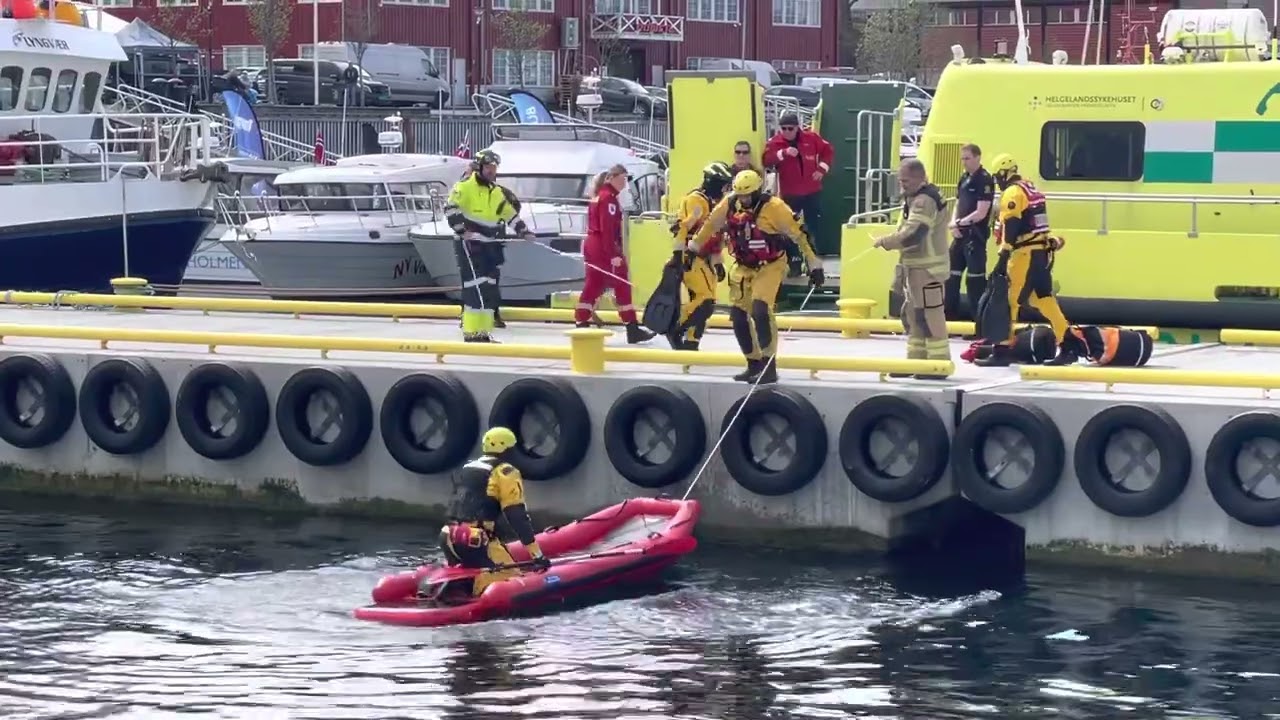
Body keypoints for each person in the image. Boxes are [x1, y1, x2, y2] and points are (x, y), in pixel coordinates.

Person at [689, 169, 825, 384]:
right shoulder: (729, 204)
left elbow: (800, 235)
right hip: (743, 266)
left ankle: (769, 365)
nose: (743, 200)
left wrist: (814, 265)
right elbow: (710, 226)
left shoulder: (776, 208)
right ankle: (753, 363)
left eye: (747, 195)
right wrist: (692, 248)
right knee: (738, 316)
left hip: (770, 265)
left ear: (758, 191)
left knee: (761, 309)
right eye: (739, 195)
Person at [975, 154, 1076, 367]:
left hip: (1024, 254)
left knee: (1008, 300)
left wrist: (1004, 254)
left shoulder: (1013, 192)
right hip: (1041, 253)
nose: (998, 181)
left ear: (1004, 172)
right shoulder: (1031, 189)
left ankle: (1002, 350)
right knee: (1043, 300)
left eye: (997, 177)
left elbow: (1012, 224)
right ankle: (1068, 345)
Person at [440, 427, 550, 597]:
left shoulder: (468, 468)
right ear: (505, 449)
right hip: (475, 540)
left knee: (470, 576)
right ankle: (475, 597)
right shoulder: (505, 472)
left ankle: (456, 593)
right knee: (514, 581)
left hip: (448, 536)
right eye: (512, 449)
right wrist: (537, 556)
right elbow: (517, 517)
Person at [444, 150, 535, 343]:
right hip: (470, 245)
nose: (492, 171)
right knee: (473, 288)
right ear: (479, 167)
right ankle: (472, 332)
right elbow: (451, 208)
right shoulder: (464, 187)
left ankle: (484, 332)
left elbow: (509, 214)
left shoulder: (496, 192)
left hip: (490, 246)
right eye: (488, 167)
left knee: (488, 288)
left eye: (494, 168)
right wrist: (462, 231)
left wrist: (523, 231)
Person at [872, 158, 952, 377]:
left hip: (928, 269)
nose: (902, 184)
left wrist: (886, 241)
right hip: (916, 268)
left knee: (930, 314)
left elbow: (914, 234)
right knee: (914, 314)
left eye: (905, 180)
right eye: (900, 180)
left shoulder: (923, 201)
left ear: (918, 177)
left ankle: (937, 364)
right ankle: (917, 361)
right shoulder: (916, 197)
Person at [576, 164, 655, 344]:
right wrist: (613, 254)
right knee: (621, 284)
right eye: (623, 178)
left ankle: (581, 321)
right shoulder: (608, 199)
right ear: (612, 177)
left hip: (592, 244)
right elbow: (607, 230)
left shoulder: (598, 197)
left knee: (593, 284)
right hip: (603, 246)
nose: (624, 183)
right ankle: (632, 328)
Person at [667, 161, 735, 350]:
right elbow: (682, 228)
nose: (725, 188)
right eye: (723, 183)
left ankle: (692, 341)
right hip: (692, 256)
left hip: (705, 257)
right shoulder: (696, 201)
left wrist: (718, 261)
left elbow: (716, 235)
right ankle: (674, 327)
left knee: (707, 299)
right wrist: (679, 256)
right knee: (705, 301)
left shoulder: (714, 202)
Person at [762, 112, 833, 251]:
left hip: (812, 190)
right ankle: (794, 256)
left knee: (813, 224)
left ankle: (813, 254)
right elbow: (767, 160)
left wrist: (822, 169)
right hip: (790, 192)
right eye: (784, 129)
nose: (787, 132)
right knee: (789, 225)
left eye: (790, 128)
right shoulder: (775, 142)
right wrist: (783, 153)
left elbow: (828, 151)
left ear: (797, 128)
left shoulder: (811, 138)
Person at [945, 143, 996, 325]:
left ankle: (979, 324)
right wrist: (953, 224)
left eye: (967, 158)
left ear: (977, 157)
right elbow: (958, 204)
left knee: (975, 281)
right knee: (950, 277)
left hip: (975, 237)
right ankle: (949, 318)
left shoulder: (984, 180)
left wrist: (960, 222)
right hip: (959, 235)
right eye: (962, 159)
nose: (964, 162)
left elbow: (981, 212)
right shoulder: (964, 178)